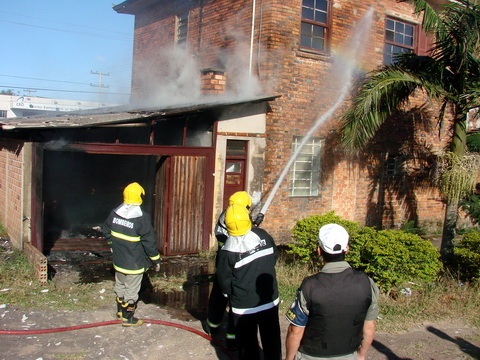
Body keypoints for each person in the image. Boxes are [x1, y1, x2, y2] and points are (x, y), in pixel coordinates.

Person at [284, 223, 379, 360]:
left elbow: (295, 330)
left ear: (319, 250)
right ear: (347, 249)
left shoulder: (310, 285)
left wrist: (289, 358)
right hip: (349, 354)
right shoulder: (366, 282)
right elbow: (369, 326)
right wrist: (361, 354)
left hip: (311, 355)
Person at [216, 203, 282, 360]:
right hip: (269, 300)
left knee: (247, 344)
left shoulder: (227, 250)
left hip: (244, 307)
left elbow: (225, 280)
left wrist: (229, 295)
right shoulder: (263, 236)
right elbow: (273, 257)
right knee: (272, 339)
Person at [102, 182, 161, 327]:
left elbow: (105, 230)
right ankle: (128, 318)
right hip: (134, 263)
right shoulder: (141, 218)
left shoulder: (115, 213)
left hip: (119, 261)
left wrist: (112, 246)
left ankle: (120, 311)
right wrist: (156, 260)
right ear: (140, 197)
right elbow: (149, 242)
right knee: (132, 291)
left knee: (120, 285)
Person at [206, 191, 253, 348]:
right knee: (236, 298)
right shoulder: (237, 221)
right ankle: (232, 338)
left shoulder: (225, 216)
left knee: (218, 295)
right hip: (237, 262)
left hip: (223, 262)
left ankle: (212, 326)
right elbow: (244, 238)